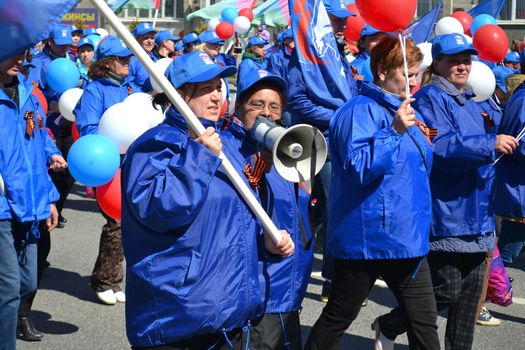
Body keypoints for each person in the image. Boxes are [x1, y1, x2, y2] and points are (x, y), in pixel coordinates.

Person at [121, 51, 294, 348]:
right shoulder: (155, 145)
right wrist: (199, 157)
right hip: (179, 317)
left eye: (219, 86)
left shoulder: (226, 142)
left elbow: (236, 214)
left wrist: (263, 240)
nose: (217, 96)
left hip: (228, 312)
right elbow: (161, 210)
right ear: (179, 95)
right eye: (205, 88)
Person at [375, 33, 518, 350]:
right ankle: (389, 322)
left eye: (466, 59)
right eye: (453, 60)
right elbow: (439, 149)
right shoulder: (428, 100)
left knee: (467, 308)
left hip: (479, 215)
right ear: (437, 63)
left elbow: (500, 130)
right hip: (448, 214)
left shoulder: (472, 100)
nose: (462, 66)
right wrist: (489, 143)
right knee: (445, 290)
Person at [304, 35, 439, 350]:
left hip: (406, 235)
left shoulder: (407, 110)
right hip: (367, 238)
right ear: (382, 72)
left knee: (424, 320)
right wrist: (393, 132)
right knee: (340, 314)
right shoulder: (359, 110)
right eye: (407, 73)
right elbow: (358, 167)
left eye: (417, 72)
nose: (414, 80)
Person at [227, 67, 315, 349]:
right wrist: (259, 166)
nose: (267, 113)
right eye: (257, 104)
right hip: (260, 293)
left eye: (274, 106)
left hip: (290, 288)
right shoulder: (230, 150)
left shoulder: (286, 148)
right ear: (239, 107)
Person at [286, 0, 358, 303]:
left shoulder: (339, 54)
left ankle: (334, 275)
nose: (343, 25)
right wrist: (338, 115)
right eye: (336, 19)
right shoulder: (303, 57)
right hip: (315, 145)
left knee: (336, 210)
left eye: (345, 19)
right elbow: (296, 100)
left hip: (342, 143)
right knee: (316, 210)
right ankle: (323, 279)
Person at [0, 50, 62, 349]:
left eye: (22, 54)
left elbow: (39, 139)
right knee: (9, 288)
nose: (19, 60)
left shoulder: (28, 93)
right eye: (11, 53)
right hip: (2, 207)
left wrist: (49, 199)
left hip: (31, 203)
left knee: (28, 283)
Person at [73, 35, 133, 305]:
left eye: (128, 58)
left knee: (126, 223)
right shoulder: (94, 90)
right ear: (108, 64)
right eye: (122, 59)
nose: (128, 62)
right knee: (115, 222)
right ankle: (103, 280)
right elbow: (87, 127)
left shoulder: (127, 88)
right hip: (106, 163)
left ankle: (114, 278)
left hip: (129, 164)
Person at [494, 78, 525, 268]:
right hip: (518, 184)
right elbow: (516, 145)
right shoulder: (523, 100)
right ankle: (492, 285)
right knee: (509, 248)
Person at [128, 22, 157, 93]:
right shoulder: (130, 61)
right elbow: (127, 86)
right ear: (137, 40)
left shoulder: (156, 60)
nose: (150, 41)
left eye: (152, 38)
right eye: (146, 38)